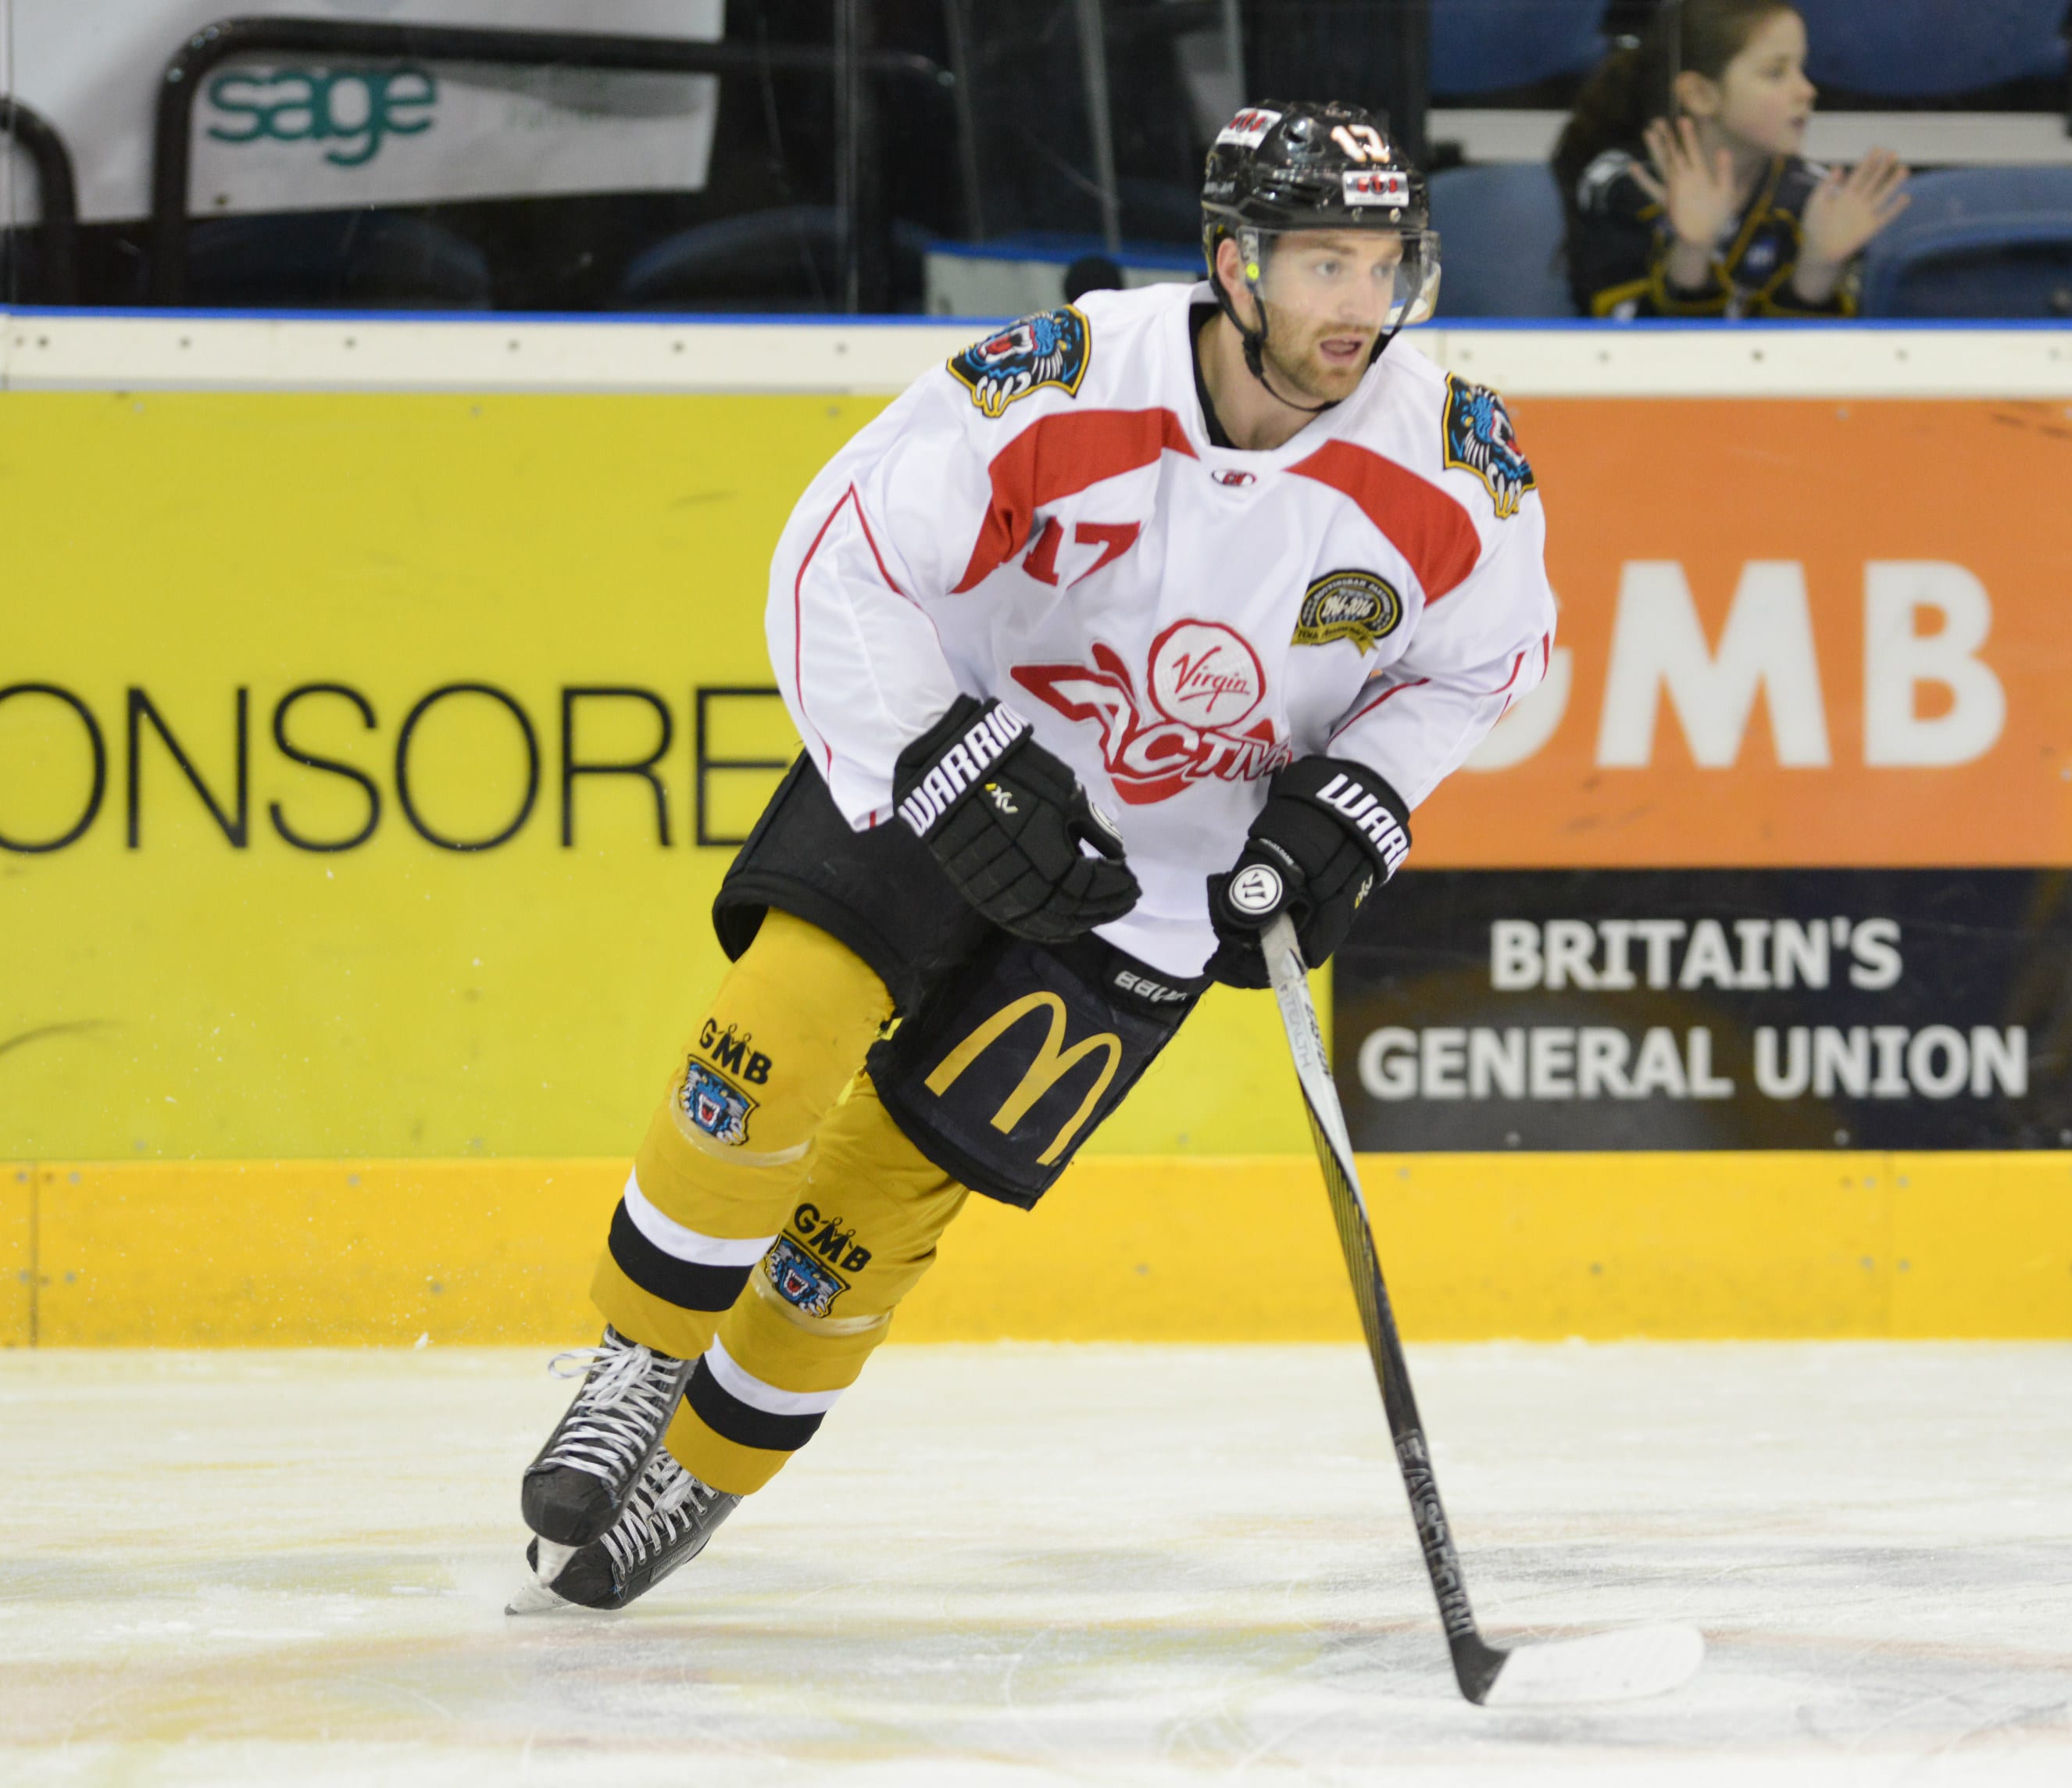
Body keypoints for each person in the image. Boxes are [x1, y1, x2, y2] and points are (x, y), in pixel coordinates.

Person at [506, 100, 1557, 1613]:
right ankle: (637, 1358)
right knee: (781, 1027)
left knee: (886, 1195)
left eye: (1383, 264)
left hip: (1165, 883)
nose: (1359, 303)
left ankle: (705, 1468)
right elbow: (841, 547)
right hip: (963, 761)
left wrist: (1360, 802)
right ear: (1233, 265)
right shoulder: (1068, 378)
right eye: (1322, 262)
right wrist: (931, 757)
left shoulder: (1453, 462)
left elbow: (1484, 661)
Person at [1557, 0, 1911, 320]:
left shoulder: (1818, 199)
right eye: (1776, 72)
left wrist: (1816, 271)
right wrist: (1692, 254)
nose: (1807, 90)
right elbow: (1618, 356)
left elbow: (1806, 366)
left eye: (1802, 68)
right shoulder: (1624, 186)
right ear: (1700, 94)